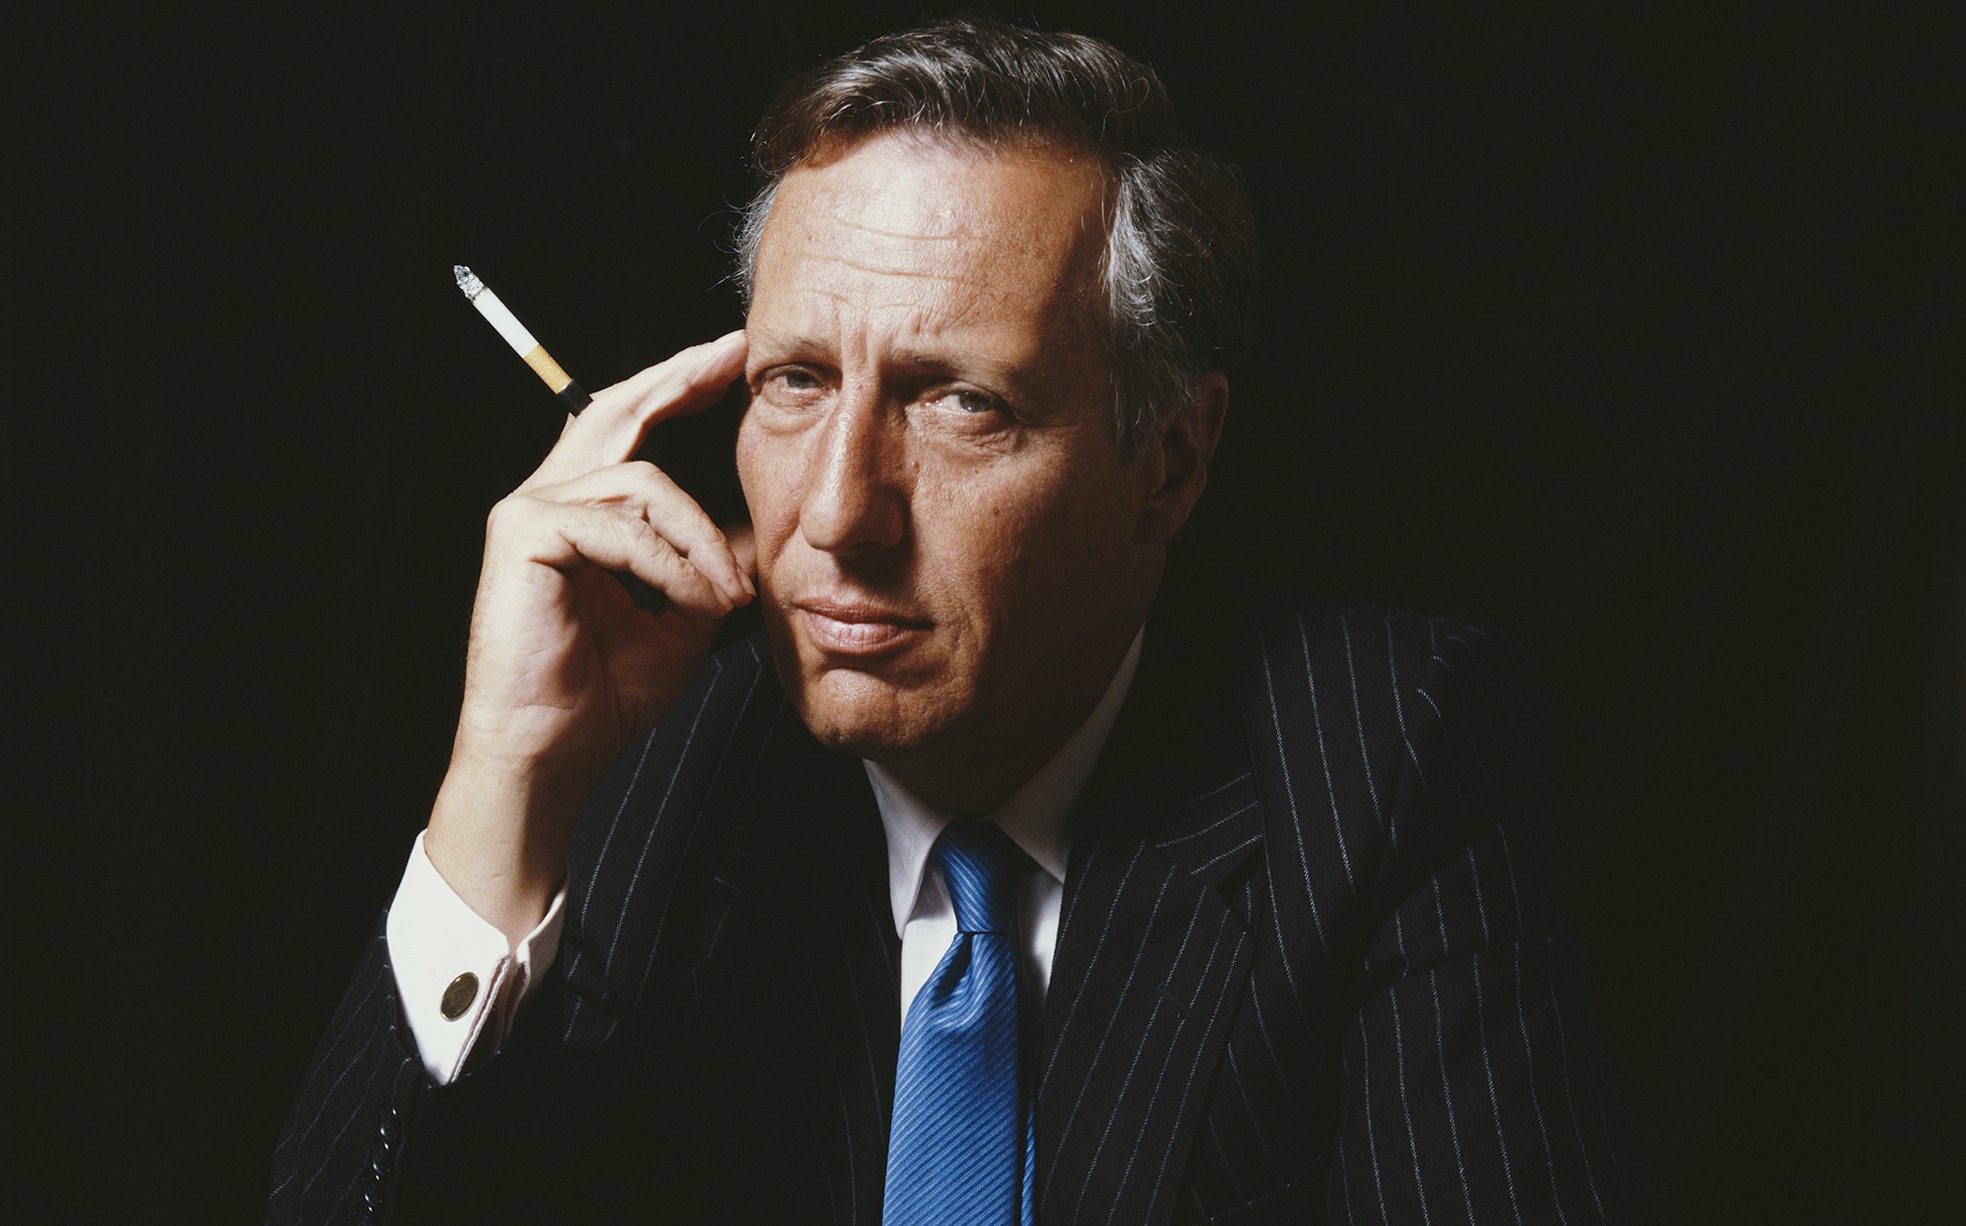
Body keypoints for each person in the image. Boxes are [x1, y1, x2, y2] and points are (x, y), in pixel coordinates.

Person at [269, 17, 1627, 1224]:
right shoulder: (641, 762)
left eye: (962, 403)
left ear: (1168, 463)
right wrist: (505, 774)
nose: (838, 515)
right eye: (796, 381)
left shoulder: (1387, 760)